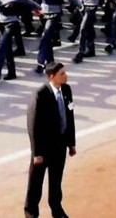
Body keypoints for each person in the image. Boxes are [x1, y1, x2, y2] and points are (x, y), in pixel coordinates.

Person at [25, 62, 76, 218]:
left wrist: (71, 143)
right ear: (51, 76)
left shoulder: (66, 90)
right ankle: (31, 213)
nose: (66, 76)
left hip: (59, 146)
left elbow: (69, 117)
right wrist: (37, 153)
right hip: (44, 149)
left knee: (56, 181)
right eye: (62, 74)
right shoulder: (40, 95)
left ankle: (56, 208)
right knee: (35, 184)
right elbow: (33, 126)